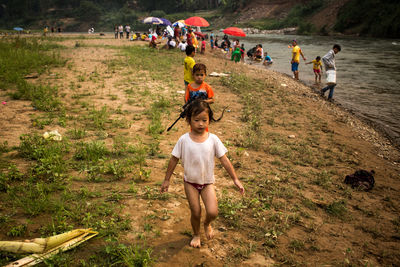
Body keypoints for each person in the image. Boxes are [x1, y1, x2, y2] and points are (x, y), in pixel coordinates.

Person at [160, 99, 244, 248]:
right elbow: (173, 160)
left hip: (207, 183)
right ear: (189, 120)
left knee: (212, 212)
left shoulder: (213, 140)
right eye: (196, 120)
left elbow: (224, 160)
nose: (200, 124)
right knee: (196, 212)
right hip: (190, 182)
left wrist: (235, 179)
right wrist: (167, 180)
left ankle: (207, 224)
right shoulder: (184, 140)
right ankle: (196, 234)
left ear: (209, 120)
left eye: (204, 120)